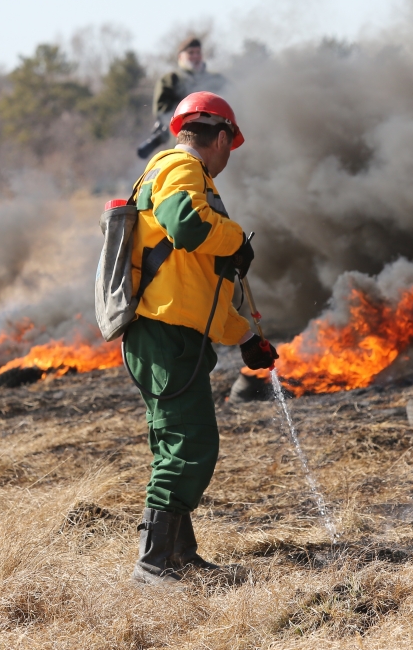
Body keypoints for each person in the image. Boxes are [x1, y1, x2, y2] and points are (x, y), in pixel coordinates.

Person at [125, 91, 278, 584]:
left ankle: (179, 555)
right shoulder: (181, 166)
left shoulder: (181, 175)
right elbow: (186, 227)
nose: (230, 155)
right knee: (191, 444)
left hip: (172, 332)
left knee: (178, 442)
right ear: (220, 138)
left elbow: (198, 289)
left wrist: (245, 337)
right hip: (164, 334)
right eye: (231, 144)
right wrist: (235, 239)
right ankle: (152, 564)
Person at [138, 37, 230, 158]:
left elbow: (233, 98)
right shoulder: (171, 79)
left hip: (214, 139)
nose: (195, 56)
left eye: (198, 52)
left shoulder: (216, 79)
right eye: (191, 53)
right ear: (180, 57)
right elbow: (162, 111)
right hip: (183, 139)